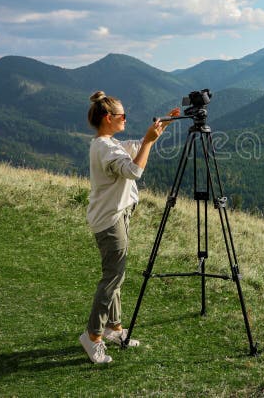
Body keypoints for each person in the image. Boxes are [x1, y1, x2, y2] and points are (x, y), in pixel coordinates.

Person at [79, 90, 180, 364]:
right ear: (107, 118)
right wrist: (149, 142)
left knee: (116, 276)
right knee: (112, 277)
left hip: (114, 217)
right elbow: (134, 170)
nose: (125, 118)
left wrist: (162, 127)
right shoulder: (105, 149)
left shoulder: (107, 144)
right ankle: (93, 336)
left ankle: (114, 329)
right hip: (110, 221)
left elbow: (133, 146)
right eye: (122, 115)